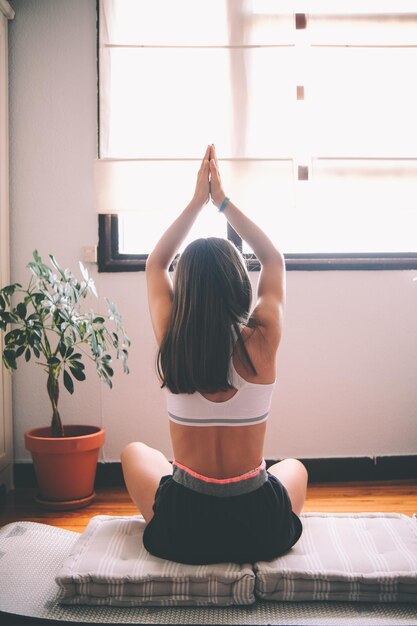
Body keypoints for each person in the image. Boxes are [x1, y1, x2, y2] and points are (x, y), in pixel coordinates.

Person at [121, 145, 308, 565]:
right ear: (239, 285)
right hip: (259, 525)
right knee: (294, 467)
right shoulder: (262, 340)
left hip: (184, 527)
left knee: (134, 452)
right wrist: (221, 202)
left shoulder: (173, 339)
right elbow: (273, 259)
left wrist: (195, 203)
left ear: (184, 290)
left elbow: (156, 264)